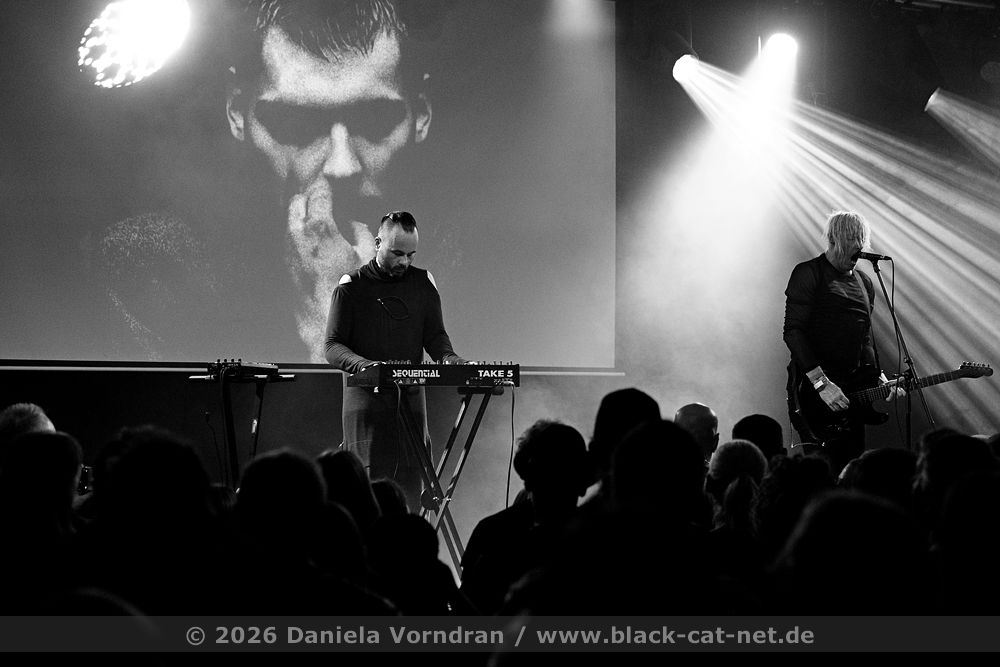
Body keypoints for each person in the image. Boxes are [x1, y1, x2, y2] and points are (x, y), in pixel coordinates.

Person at [100, 0, 434, 362]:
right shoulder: (154, 262)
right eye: (298, 125)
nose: (342, 167)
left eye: (374, 120)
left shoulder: (458, 269)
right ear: (236, 112)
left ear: (422, 114)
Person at [324, 210, 465, 511]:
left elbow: (435, 337)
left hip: (411, 407)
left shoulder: (423, 282)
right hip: (367, 409)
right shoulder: (352, 285)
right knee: (368, 502)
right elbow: (332, 346)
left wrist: (450, 359)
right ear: (378, 244)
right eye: (397, 253)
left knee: (411, 497)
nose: (405, 262)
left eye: (411, 255)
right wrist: (366, 366)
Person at [782, 210, 901, 475]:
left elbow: (864, 337)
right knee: (820, 472)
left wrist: (876, 375)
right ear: (833, 240)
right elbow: (793, 332)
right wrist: (822, 384)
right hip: (813, 392)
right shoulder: (809, 273)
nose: (857, 251)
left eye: (860, 244)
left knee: (851, 470)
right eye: (850, 244)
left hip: (852, 393)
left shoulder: (864, 283)